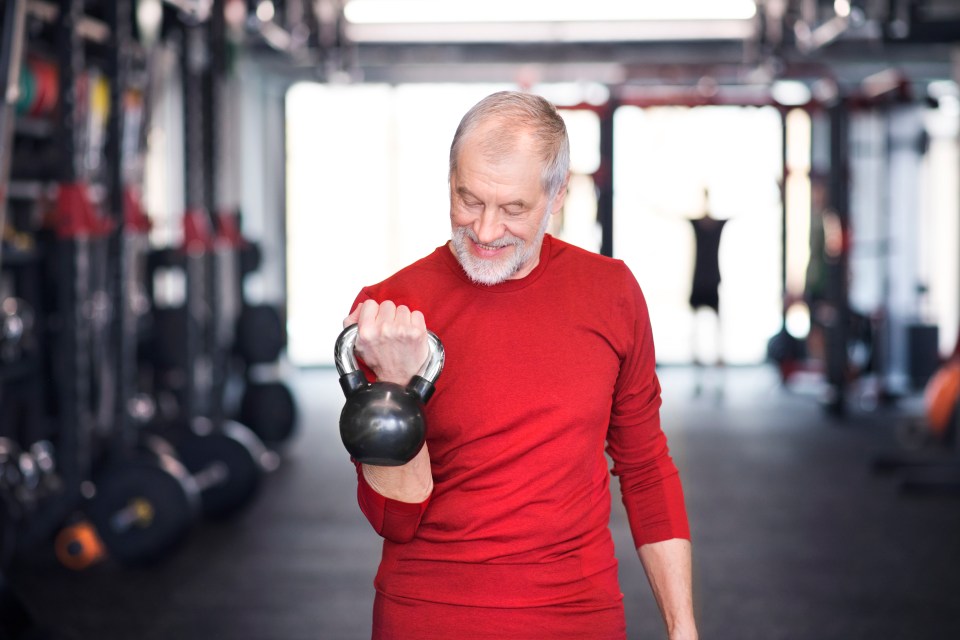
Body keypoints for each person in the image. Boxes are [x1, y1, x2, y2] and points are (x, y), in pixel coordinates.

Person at [342, 91, 697, 640]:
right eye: (469, 200)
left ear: (556, 196)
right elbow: (393, 521)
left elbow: (646, 468)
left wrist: (683, 629)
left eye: (513, 209)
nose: (484, 231)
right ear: (450, 182)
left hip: (580, 615)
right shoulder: (391, 312)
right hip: (431, 616)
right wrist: (394, 387)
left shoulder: (611, 293)